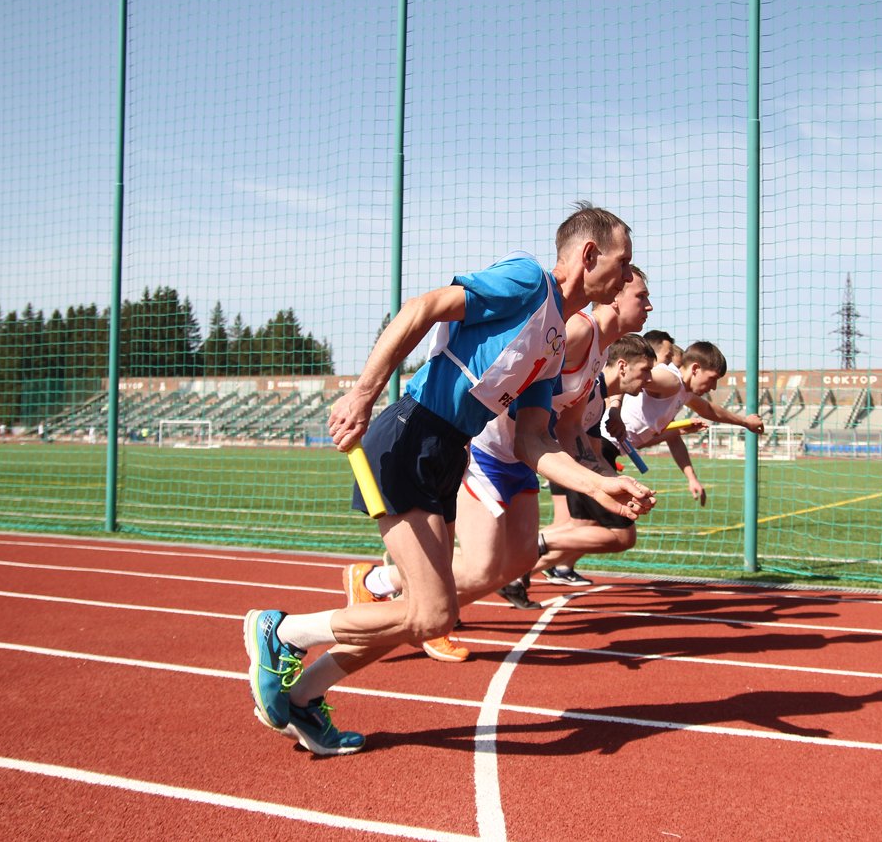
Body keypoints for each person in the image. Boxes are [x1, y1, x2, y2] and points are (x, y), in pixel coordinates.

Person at [243, 203, 654, 756]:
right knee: (433, 613)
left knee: (423, 610)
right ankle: (282, 632)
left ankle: (302, 697)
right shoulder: (527, 280)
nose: (629, 276)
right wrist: (364, 392)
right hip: (409, 437)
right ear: (588, 255)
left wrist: (596, 484)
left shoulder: (556, 344)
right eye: (623, 263)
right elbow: (425, 308)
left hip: (446, 453)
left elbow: (535, 441)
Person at [344, 266, 655, 649]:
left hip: (523, 455)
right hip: (487, 448)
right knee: (480, 567)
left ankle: (426, 611)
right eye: (641, 295)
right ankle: (404, 603)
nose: (649, 306)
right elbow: (514, 390)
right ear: (615, 297)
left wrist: (600, 480)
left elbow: (571, 428)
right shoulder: (572, 330)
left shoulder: (598, 352)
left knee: (521, 559)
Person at [511, 334, 659, 596]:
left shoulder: (598, 400)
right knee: (620, 536)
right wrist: (605, 482)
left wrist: (613, 483)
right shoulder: (586, 387)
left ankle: (521, 568)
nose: (649, 379)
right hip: (520, 455)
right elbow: (570, 437)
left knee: (583, 528)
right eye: (645, 370)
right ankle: (529, 551)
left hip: (556, 462)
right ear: (623, 366)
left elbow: (591, 451)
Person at [605, 339, 764, 507]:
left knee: (612, 527)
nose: (714, 387)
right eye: (712, 378)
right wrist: (615, 408)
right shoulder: (670, 380)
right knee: (619, 528)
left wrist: (692, 478)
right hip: (601, 443)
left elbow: (709, 410)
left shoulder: (682, 392)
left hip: (609, 449)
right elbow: (626, 376)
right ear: (695, 369)